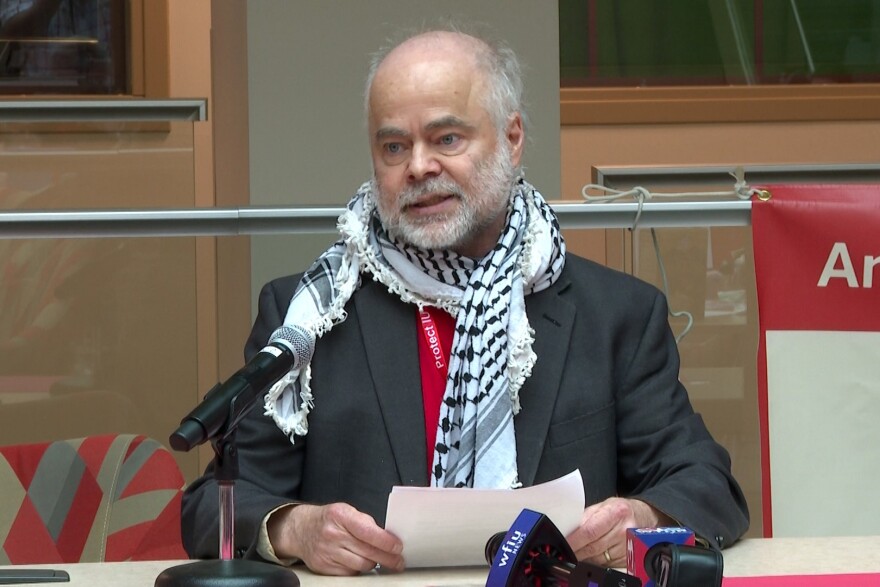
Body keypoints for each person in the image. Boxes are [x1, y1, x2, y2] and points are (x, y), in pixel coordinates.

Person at [181, 27, 749, 576]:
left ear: (512, 137)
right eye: (394, 146)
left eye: (447, 139)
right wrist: (294, 528)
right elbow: (213, 506)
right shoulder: (310, 316)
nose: (419, 166)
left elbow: (706, 484)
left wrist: (639, 518)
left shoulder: (616, 315)